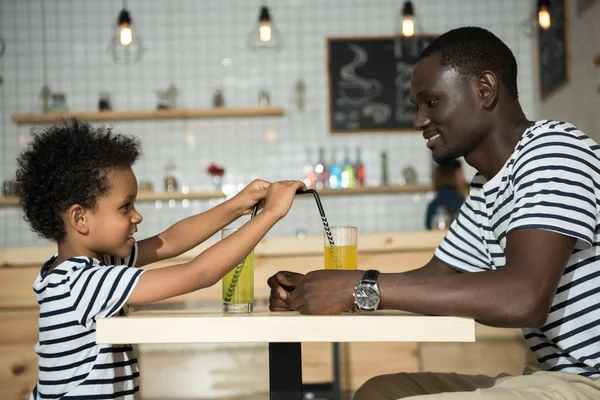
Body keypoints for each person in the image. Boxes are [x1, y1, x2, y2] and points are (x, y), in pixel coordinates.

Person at [267, 26, 600, 399]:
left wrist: (359, 285)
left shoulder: (553, 151)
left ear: (485, 90)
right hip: (555, 376)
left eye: (431, 102)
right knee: (378, 392)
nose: (418, 121)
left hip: (592, 379)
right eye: (417, 107)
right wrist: (321, 288)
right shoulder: (485, 184)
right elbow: (431, 279)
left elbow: (525, 296)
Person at [14, 118, 306, 400]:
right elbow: (198, 273)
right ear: (80, 218)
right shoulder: (85, 283)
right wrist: (271, 214)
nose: (137, 216)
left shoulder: (85, 269)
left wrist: (238, 204)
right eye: (125, 207)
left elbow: (171, 241)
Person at [425, 159, 465, 230]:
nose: (463, 179)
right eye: (461, 174)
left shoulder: (432, 205)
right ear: (452, 176)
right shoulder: (461, 202)